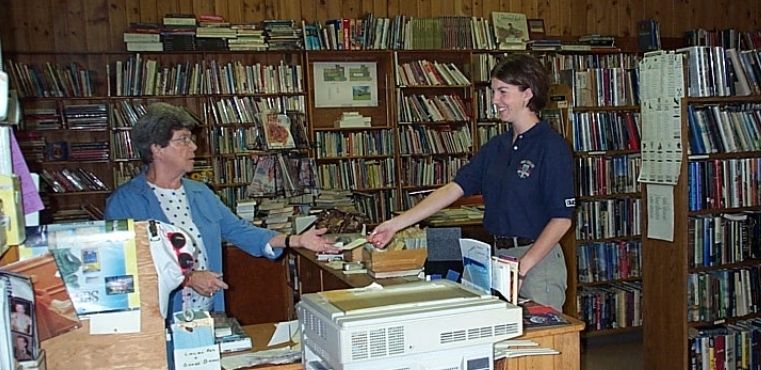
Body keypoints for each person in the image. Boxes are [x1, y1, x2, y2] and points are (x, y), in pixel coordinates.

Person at [369, 54, 575, 311]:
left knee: (542, 343)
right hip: (499, 259)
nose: (494, 100)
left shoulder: (551, 147)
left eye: (502, 92)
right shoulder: (496, 147)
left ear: (527, 94)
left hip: (537, 261)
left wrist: (522, 268)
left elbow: (561, 219)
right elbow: (453, 189)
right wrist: (395, 225)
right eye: (493, 92)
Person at [105, 103, 339, 313]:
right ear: (157, 148)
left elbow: (239, 230)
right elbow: (123, 270)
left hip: (208, 310)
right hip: (159, 319)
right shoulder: (125, 202)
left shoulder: (201, 193)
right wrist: (188, 279)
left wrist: (295, 240)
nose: (194, 147)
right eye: (183, 140)